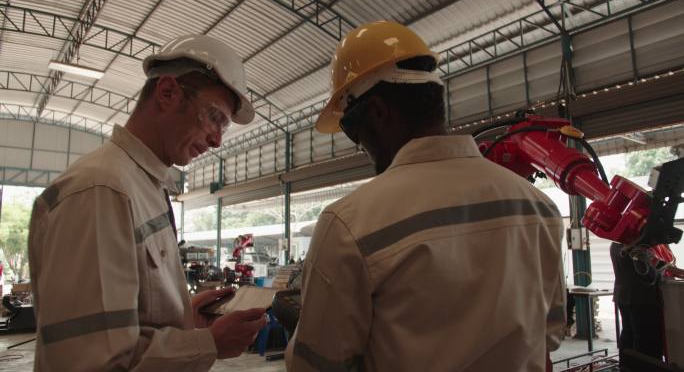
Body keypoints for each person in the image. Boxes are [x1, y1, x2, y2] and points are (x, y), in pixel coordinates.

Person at [285, 21, 566, 371]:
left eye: (351, 128)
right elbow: (550, 334)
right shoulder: (540, 208)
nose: (360, 147)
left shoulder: (349, 225)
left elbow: (316, 365)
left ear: (377, 112)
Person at [28, 34, 267, 371]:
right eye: (215, 118)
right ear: (167, 92)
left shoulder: (142, 186)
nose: (216, 140)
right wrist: (208, 343)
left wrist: (184, 317)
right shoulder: (103, 190)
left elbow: (126, 322)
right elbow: (93, 360)